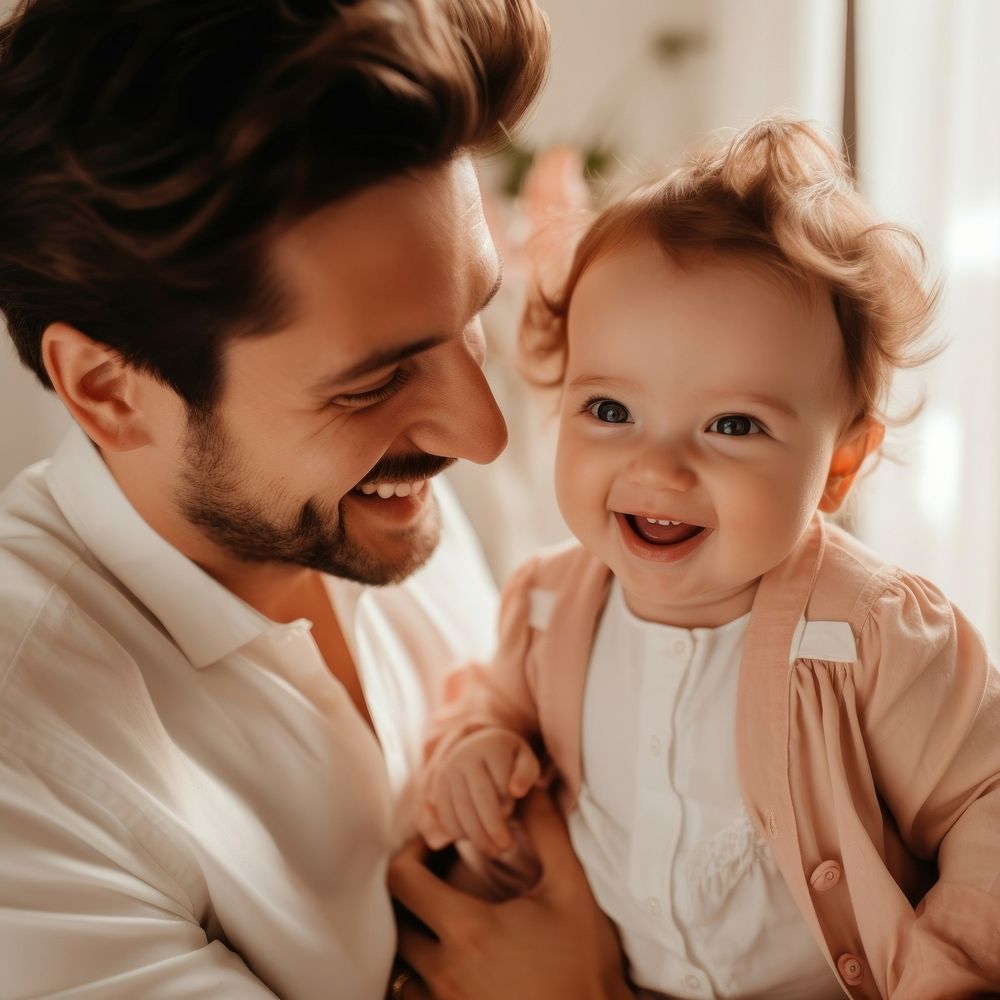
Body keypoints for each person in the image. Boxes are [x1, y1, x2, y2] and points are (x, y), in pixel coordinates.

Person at [0, 1, 635, 998]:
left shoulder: (369, 499)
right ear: (108, 388)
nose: (481, 434)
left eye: (470, 322)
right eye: (374, 382)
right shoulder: (25, 761)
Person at [418, 117, 1000, 1000]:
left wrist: (945, 970)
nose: (657, 468)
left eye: (733, 425)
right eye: (610, 410)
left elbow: (983, 797)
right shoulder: (546, 605)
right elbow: (493, 701)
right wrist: (481, 745)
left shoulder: (868, 633)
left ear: (839, 464)